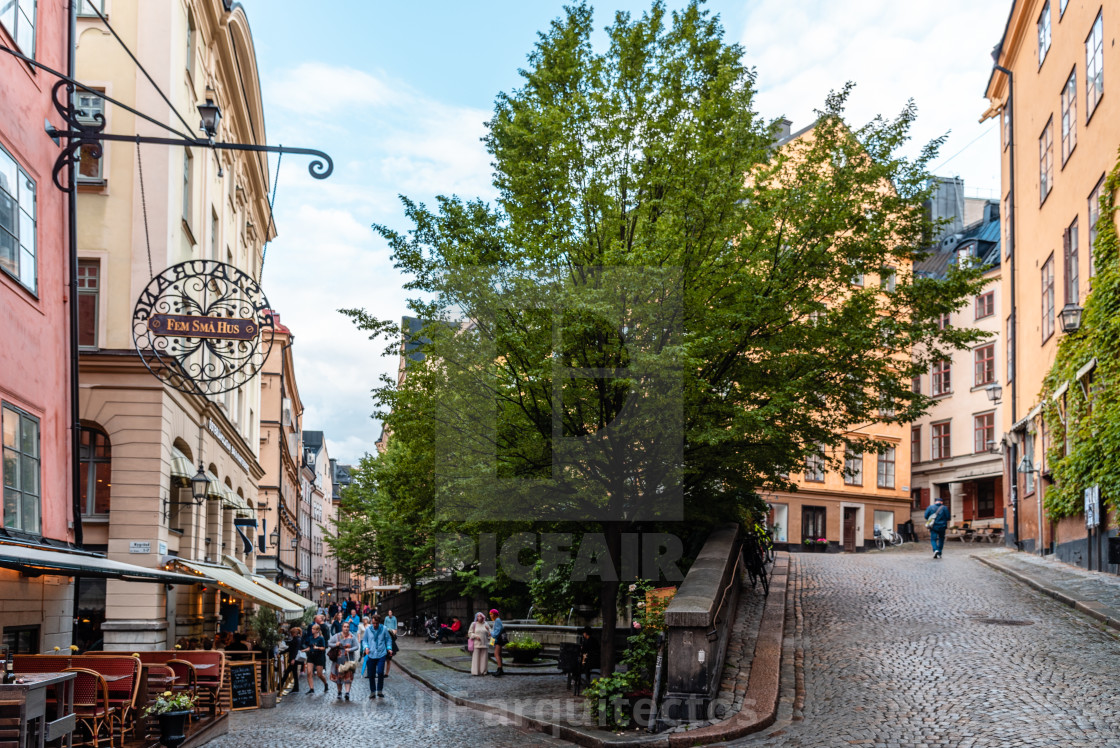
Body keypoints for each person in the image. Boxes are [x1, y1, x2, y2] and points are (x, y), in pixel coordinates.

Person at [361, 614, 392, 699]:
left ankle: (379, 690)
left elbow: (388, 639)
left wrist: (389, 648)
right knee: (371, 674)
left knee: (380, 672)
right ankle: (373, 691)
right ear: (371, 622)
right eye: (373, 623)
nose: (375, 625)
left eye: (376, 623)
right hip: (371, 654)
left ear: (379, 623)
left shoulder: (384, 629)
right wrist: (366, 647)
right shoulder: (368, 630)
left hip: (381, 653)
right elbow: (364, 641)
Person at [328, 621, 360, 701]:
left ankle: (347, 693)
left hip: (348, 660)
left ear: (349, 628)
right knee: (339, 677)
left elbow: (356, 646)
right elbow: (329, 643)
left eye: (347, 627)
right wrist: (336, 644)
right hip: (338, 660)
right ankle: (339, 692)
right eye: (344, 627)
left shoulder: (352, 636)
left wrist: (350, 649)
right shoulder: (338, 636)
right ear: (342, 628)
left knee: (348, 677)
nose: (346, 628)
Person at [278, 626, 305, 695]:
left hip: (294, 659)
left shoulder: (296, 639)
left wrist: (293, 659)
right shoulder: (297, 639)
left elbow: (295, 650)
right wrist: (281, 653)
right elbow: (290, 648)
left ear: (293, 633)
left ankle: (280, 686)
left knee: (287, 672)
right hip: (294, 659)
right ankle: (295, 688)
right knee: (294, 674)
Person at [304, 623, 329, 693]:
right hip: (311, 656)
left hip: (319, 656)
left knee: (319, 674)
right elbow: (309, 647)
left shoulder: (321, 638)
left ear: (317, 630)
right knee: (309, 673)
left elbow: (324, 648)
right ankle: (311, 688)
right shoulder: (310, 638)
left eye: (313, 629)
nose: (312, 630)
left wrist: (317, 647)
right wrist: (305, 650)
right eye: (312, 629)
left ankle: (325, 684)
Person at [467, 612, 490, 676]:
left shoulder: (486, 624)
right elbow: (469, 633)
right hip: (476, 644)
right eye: (478, 616)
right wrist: (475, 636)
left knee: (484, 659)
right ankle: (476, 671)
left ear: (483, 617)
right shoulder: (473, 624)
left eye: (480, 616)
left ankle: (483, 671)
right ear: (476, 617)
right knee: (476, 658)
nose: (479, 617)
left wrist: (488, 630)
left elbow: (490, 633)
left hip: (485, 643)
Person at [488, 609, 505, 677]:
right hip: (498, 640)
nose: (490, 616)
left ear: (494, 614)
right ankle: (499, 669)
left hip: (498, 640)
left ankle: (500, 669)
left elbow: (497, 631)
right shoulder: (496, 620)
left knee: (496, 654)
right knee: (498, 654)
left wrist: (491, 633)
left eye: (491, 614)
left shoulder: (497, 620)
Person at [382, 610, 399, 677]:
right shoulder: (386, 618)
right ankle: (382, 672)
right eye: (389, 613)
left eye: (390, 613)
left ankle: (386, 673)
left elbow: (395, 626)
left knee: (389, 659)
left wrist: (394, 631)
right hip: (385, 645)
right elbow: (385, 625)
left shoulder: (394, 618)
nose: (390, 614)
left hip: (392, 635)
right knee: (383, 660)